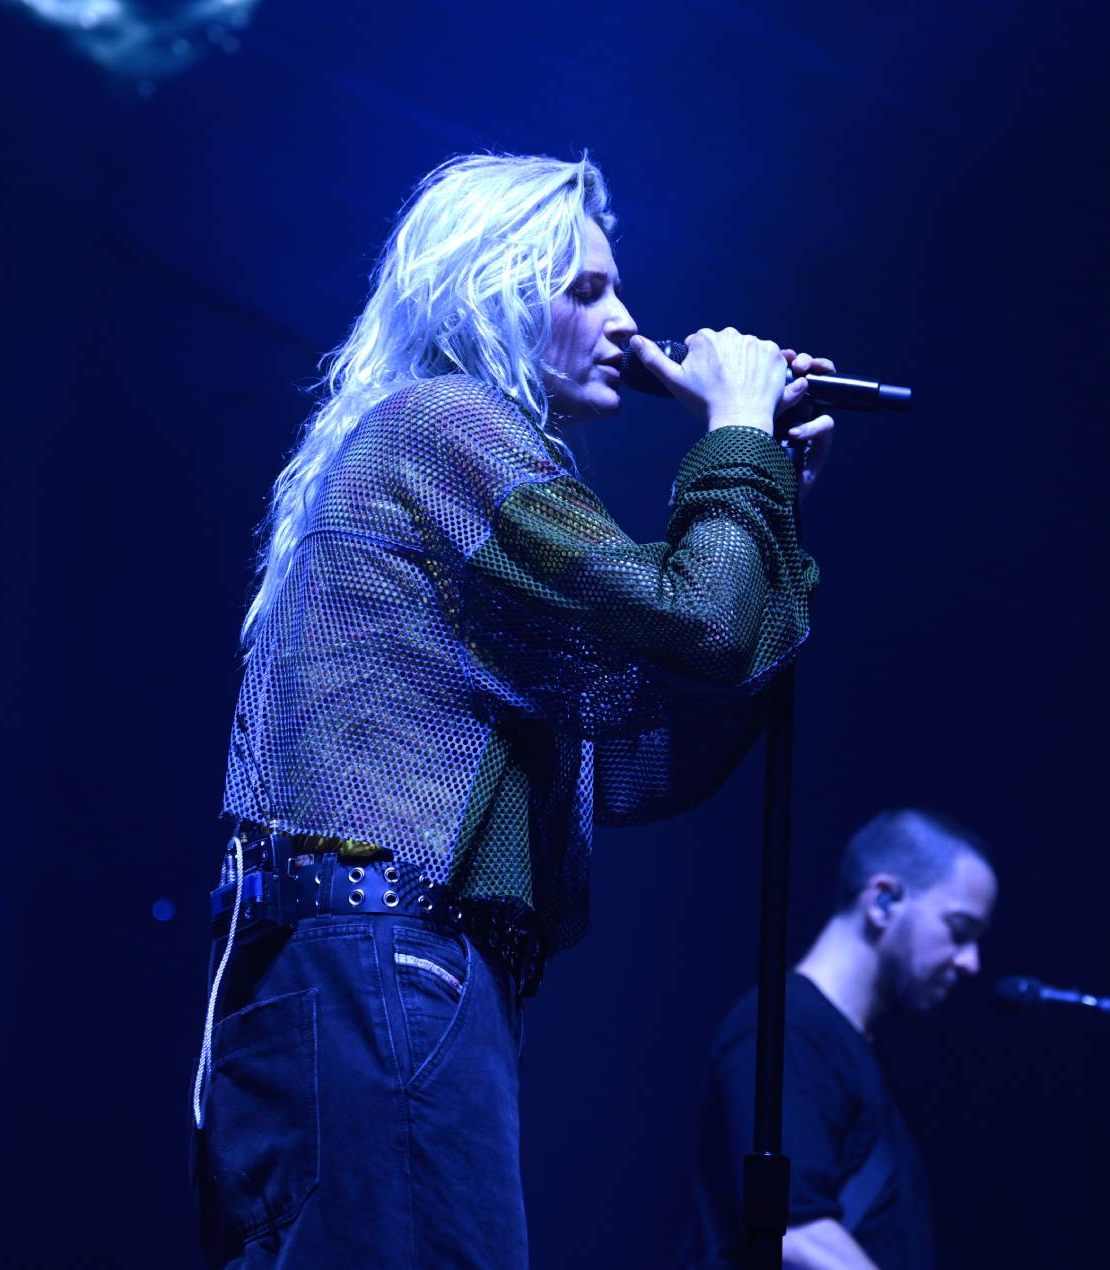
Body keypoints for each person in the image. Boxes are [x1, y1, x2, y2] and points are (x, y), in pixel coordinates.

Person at [189, 152, 834, 1269]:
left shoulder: (414, 447)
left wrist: (763, 495)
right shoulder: (450, 424)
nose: (628, 324)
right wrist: (731, 440)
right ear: (488, 289)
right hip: (388, 963)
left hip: (359, 972)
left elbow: (642, 753)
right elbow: (700, 625)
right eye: (585, 290)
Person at [690, 809, 1001, 1270]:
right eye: (958, 931)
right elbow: (793, 1233)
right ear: (883, 902)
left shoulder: (844, 1047)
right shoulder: (788, 1030)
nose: (971, 962)